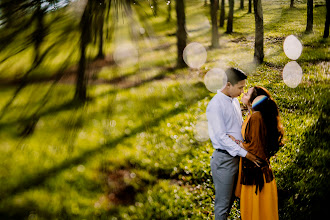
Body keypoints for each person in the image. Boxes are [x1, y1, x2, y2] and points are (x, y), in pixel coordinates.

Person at [206, 68, 261, 220]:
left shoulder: (234, 101)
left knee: (233, 200)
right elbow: (222, 138)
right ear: (228, 85)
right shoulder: (215, 105)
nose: (242, 91)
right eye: (240, 87)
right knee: (223, 204)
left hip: (239, 158)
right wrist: (247, 154)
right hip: (225, 160)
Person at [229, 86, 284, 220]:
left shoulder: (256, 117)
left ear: (253, 101)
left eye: (247, 93)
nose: (243, 93)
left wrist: (234, 141)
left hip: (256, 178)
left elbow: (254, 147)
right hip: (252, 174)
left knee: (257, 215)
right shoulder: (251, 116)